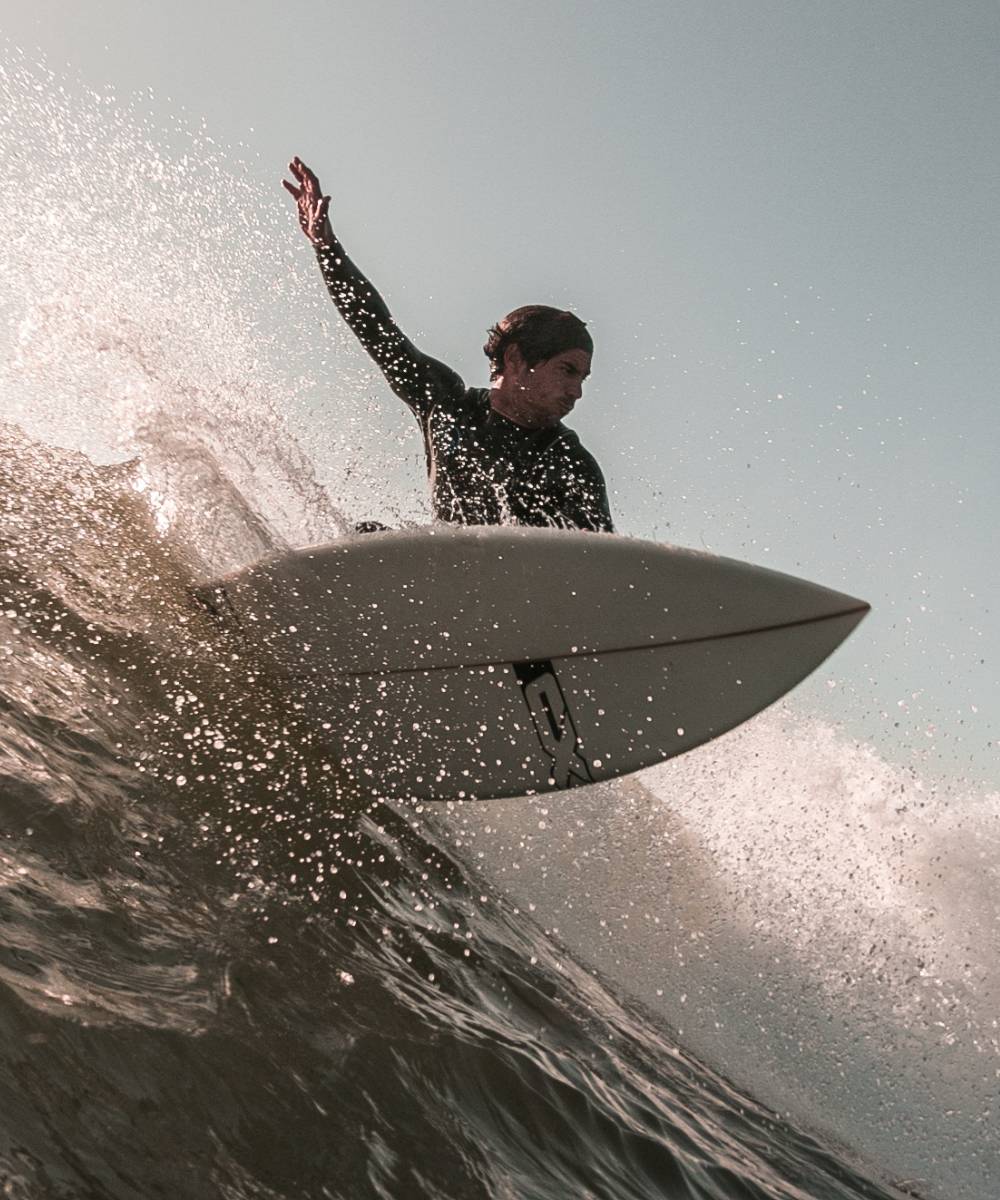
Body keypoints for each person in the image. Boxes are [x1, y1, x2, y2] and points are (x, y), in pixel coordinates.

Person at [283, 157, 613, 533]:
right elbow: (377, 329)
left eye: (582, 378)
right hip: (449, 561)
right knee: (365, 533)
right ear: (516, 359)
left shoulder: (568, 461)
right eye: (567, 370)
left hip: (523, 572)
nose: (576, 391)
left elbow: (602, 560)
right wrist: (326, 247)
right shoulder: (448, 405)